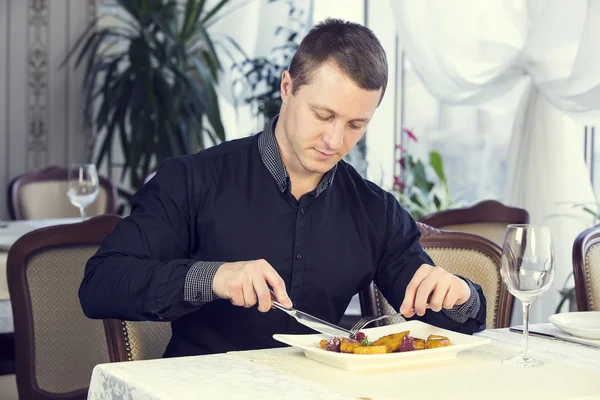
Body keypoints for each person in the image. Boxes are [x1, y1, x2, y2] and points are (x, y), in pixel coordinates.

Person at [79, 18, 486, 357]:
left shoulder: (374, 209)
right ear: (287, 88)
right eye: (323, 115)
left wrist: (457, 293)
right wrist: (213, 277)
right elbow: (101, 285)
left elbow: (450, 319)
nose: (334, 140)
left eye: (354, 125)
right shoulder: (192, 179)